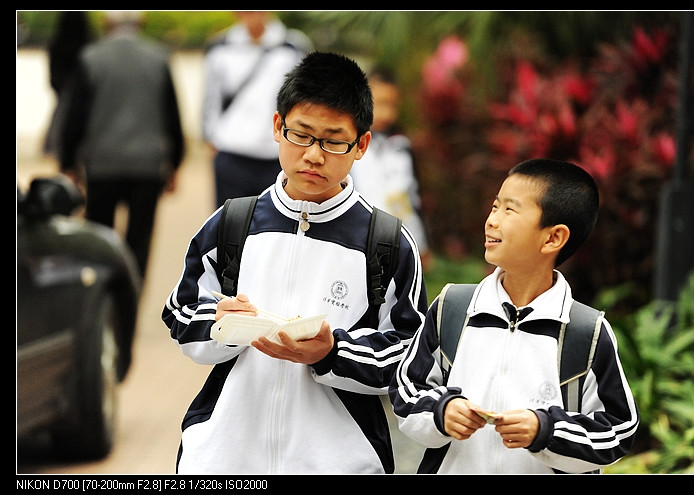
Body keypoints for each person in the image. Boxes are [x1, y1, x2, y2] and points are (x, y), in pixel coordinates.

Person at [162, 52, 428, 474]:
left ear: (361, 145)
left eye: (333, 140)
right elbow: (179, 312)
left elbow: (409, 352)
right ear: (276, 128)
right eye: (301, 135)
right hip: (223, 458)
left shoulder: (387, 243)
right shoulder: (233, 223)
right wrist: (221, 325)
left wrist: (333, 352)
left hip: (339, 463)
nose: (314, 155)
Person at [390, 158, 639, 474]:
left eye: (509, 210)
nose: (492, 220)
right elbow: (406, 388)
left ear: (552, 238)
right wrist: (442, 411)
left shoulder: (585, 333)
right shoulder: (452, 308)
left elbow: (617, 432)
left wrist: (545, 430)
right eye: (495, 207)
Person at [59, 11, 185, 278]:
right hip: (147, 165)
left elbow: (75, 116)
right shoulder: (159, 57)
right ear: (140, 22)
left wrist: (69, 162)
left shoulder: (90, 57)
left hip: (102, 162)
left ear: (107, 22)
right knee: (139, 240)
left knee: (98, 237)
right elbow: (172, 115)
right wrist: (174, 163)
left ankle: (100, 293)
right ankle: (130, 298)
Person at [202, 11, 312, 208]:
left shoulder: (292, 46)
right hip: (231, 153)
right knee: (229, 227)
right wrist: (210, 137)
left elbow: (304, 100)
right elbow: (211, 97)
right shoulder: (221, 46)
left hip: (276, 157)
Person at [350, 67, 433, 270]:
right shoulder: (347, 146)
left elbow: (410, 199)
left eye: (392, 105)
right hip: (355, 240)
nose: (386, 113)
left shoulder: (401, 147)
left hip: (396, 241)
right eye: (380, 104)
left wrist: (420, 243)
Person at [43, 11, 94, 158]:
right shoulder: (90, 47)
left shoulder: (56, 46)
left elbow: (53, 79)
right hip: (87, 107)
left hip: (63, 101)